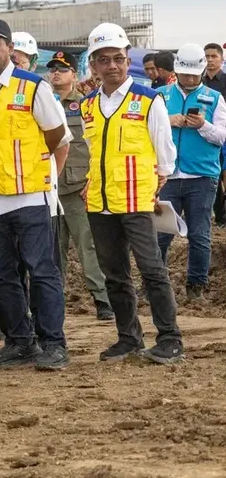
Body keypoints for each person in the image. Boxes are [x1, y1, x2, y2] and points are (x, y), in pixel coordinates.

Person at [0, 18, 69, 370]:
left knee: (41, 272)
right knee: (2, 275)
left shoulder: (34, 87)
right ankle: (20, 341)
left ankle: (53, 343)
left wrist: (40, 173)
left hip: (29, 196)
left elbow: (58, 137)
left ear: (9, 48)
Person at [80, 23, 183, 364]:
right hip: (100, 202)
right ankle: (128, 338)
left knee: (152, 270)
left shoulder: (148, 99)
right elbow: (95, 152)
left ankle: (170, 338)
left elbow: (164, 152)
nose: (112, 65)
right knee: (115, 275)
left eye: (118, 58)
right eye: (104, 59)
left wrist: (159, 180)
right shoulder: (88, 106)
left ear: (127, 60)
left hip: (138, 200)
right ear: (94, 64)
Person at [46, 52, 114, 320]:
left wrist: (93, 180)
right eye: (52, 69)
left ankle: (102, 299)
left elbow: (95, 146)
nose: (56, 74)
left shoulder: (85, 105)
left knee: (88, 245)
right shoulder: (42, 103)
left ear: (74, 74)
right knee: (53, 250)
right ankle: (53, 301)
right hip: (48, 188)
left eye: (62, 69)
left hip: (77, 187)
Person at [157, 43, 226, 301]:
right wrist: (168, 120)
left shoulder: (215, 98)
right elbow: (146, 130)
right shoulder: (160, 96)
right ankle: (156, 283)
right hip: (168, 176)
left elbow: (222, 136)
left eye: (193, 75)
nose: (189, 79)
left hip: (202, 177)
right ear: (177, 71)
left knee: (199, 234)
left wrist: (203, 125)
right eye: (185, 74)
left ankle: (196, 286)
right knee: (161, 234)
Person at [204, 43, 226, 226]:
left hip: (222, 133)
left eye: (213, 56)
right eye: (207, 57)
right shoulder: (199, 82)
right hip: (204, 135)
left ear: (221, 58)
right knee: (214, 176)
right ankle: (218, 215)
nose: (210, 60)